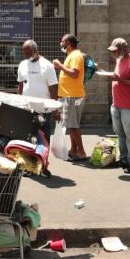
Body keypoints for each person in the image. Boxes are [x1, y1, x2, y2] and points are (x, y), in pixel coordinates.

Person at [17, 39, 58, 178]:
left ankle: (43, 167)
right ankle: (30, 167)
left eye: (28, 52)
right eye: (24, 52)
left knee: (44, 141)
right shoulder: (23, 65)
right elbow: (20, 86)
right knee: (29, 140)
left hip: (43, 111)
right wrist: (18, 103)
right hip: (27, 110)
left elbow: (53, 89)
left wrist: (55, 109)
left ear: (36, 51)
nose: (26, 55)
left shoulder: (47, 66)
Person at [106, 38, 130, 174]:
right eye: (112, 51)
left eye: (115, 51)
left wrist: (119, 80)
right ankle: (124, 160)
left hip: (128, 106)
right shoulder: (119, 60)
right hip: (116, 104)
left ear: (123, 49)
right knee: (121, 134)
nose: (113, 54)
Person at [52, 33, 87, 162]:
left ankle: (81, 152)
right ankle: (73, 150)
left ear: (68, 44)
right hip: (69, 95)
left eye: (62, 42)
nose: (61, 44)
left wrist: (59, 66)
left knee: (73, 126)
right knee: (72, 124)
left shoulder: (76, 56)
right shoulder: (71, 56)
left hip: (73, 96)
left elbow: (74, 74)